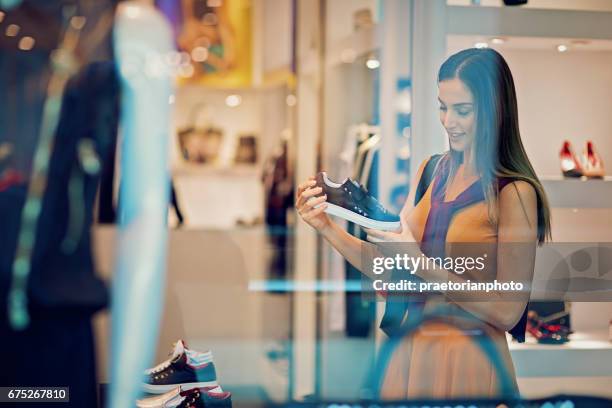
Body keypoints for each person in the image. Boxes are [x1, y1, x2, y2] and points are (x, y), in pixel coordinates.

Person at [296, 48, 551, 399]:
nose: (448, 121)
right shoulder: (431, 171)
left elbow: (508, 310)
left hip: (470, 360)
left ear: (494, 110)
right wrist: (326, 226)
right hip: (410, 352)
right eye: (443, 107)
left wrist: (419, 263)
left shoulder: (514, 193)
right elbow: (391, 267)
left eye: (462, 110)